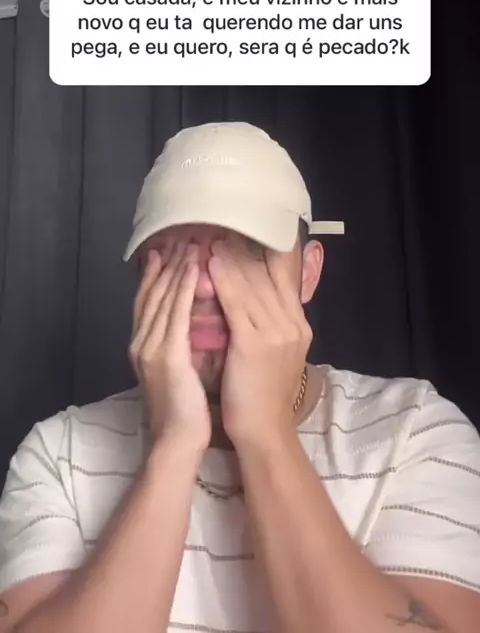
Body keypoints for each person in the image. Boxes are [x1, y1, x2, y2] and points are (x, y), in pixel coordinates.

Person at [0, 121, 479, 633]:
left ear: (308, 273)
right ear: (142, 274)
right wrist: (174, 445)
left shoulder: (416, 432)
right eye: (176, 252)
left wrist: (266, 435)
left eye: (249, 249)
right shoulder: (58, 453)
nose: (206, 286)